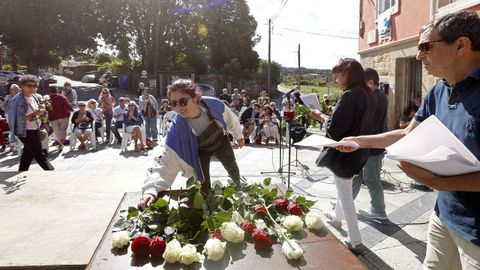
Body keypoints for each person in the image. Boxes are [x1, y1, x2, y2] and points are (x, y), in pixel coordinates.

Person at [338, 11, 480, 269]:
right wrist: (359, 140)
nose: (418, 56)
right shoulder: (439, 89)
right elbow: (407, 134)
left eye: (426, 47)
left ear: (461, 45)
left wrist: (435, 182)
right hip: (443, 216)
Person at [138, 79, 244, 210]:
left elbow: (231, 119)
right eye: (173, 103)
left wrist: (238, 136)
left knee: (232, 167)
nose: (178, 108)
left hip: (221, 143)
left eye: (183, 102)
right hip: (201, 151)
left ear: (195, 97)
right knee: (203, 183)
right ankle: (207, 207)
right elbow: (163, 160)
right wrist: (151, 189)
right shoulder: (177, 129)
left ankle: (240, 189)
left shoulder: (214, 105)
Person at [310, 58, 376, 253]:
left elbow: (335, 130)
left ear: (350, 75)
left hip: (345, 152)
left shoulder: (349, 95)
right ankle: (337, 217)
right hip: (361, 150)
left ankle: (355, 240)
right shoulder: (369, 94)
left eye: (340, 75)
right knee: (344, 187)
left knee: (345, 193)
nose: (337, 79)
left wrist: (320, 116)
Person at [351, 68, 389, 220]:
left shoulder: (377, 98)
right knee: (357, 176)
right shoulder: (375, 96)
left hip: (373, 148)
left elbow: (371, 125)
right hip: (367, 146)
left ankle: (379, 210)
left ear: (371, 83)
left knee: (372, 179)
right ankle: (346, 201)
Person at [7, 75, 54, 171]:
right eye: (29, 86)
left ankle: (22, 170)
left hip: (35, 129)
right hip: (24, 131)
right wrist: (35, 113)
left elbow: (39, 114)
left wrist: (43, 118)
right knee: (39, 154)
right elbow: (17, 119)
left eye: (35, 85)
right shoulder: (16, 100)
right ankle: (52, 173)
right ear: (22, 86)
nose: (33, 88)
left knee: (28, 154)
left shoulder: (35, 97)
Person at [47, 86, 71, 151]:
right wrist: (68, 114)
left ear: (50, 92)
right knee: (63, 130)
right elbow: (68, 106)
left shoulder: (47, 99)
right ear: (57, 90)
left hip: (53, 117)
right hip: (63, 116)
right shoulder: (62, 97)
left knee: (57, 131)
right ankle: (61, 143)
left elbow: (46, 108)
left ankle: (60, 143)